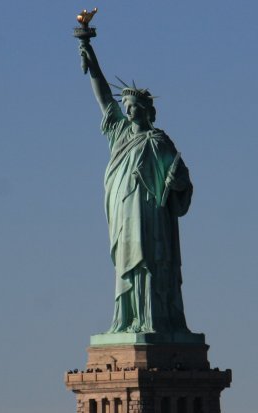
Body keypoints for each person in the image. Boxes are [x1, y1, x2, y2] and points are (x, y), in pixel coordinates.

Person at [78, 40, 194, 335]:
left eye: (133, 107)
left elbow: (182, 180)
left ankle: (153, 319)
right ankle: (128, 319)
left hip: (151, 213)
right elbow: (104, 98)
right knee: (127, 263)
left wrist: (176, 182)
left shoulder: (159, 141)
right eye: (125, 107)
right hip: (123, 212)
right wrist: (92, 62)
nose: (127, 112)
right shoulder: (118, 133)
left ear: (146, 111)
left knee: (150, 262)